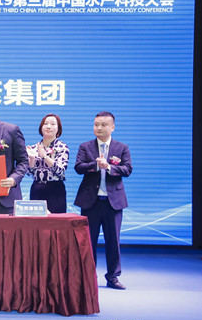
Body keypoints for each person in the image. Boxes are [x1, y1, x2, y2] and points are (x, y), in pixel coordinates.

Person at [74, 111, 132, 290]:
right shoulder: (86, 146)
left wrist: (110, 168)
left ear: (112, 127)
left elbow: (127, 169)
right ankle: (88, 276)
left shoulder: (121, 147)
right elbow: (78, 167)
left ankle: (113, 277)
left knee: (113, 241)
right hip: (90, 202)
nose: (99, 128)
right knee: (88, 242)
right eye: (96, 124)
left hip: (113, 202)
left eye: (103, 125)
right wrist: (95, 166)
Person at [25, 114, 69, 213]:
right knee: (36, 220)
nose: (48, 127)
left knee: (56, 221)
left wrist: (45, 156)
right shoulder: (34, 148)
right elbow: (29, 172)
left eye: (53, 124)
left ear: (58, 129)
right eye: (45, 124)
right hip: (37, 188)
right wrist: (31, 159)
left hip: (55, 189)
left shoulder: (62, 147)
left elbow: (60, 171)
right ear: (41, 128)